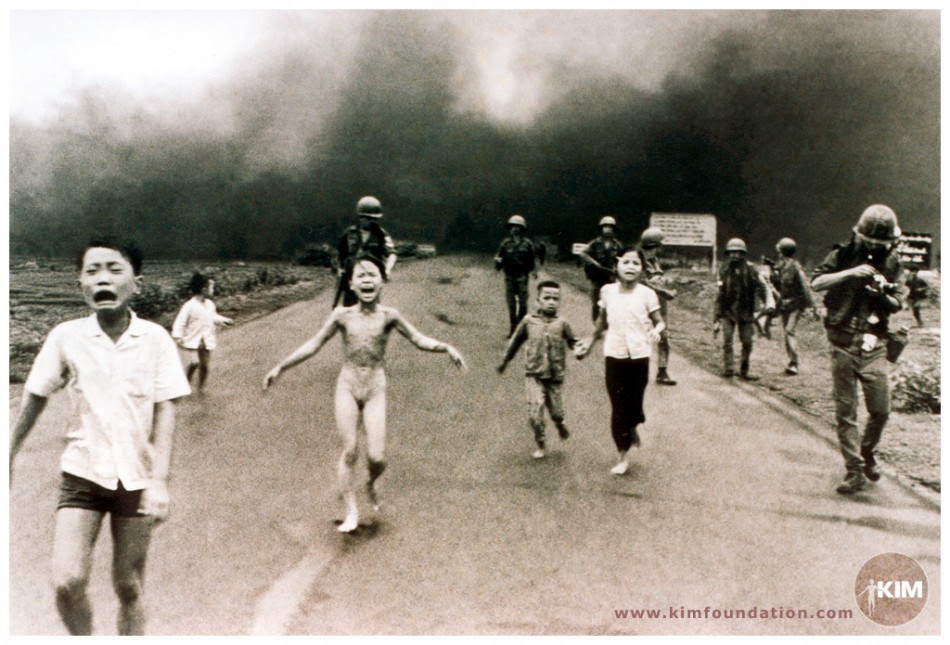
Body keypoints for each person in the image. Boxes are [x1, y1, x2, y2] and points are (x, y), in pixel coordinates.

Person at [9, 238, 191, 635]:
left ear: (136, 283)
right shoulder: (66, 336)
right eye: (92, 271)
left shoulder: (156, 340)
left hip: (137, 481)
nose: (102, 279)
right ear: (80, 284)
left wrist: (159, 480)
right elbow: (35, 396)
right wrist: (8, 453)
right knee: (67, 582)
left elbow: (167, 409)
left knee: (128, 586)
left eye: (114, 269)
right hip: (82, 475)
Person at [263, 254, 466, 533]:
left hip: (375, 387)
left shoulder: (389, 316)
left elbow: (419, 339)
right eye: (361, 275)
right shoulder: (342, 315)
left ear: (382, 281)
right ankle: (351, 511)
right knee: (350, 451)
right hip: (347, 384)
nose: (367, 279)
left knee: (377, 457)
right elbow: (313, 345)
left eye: (373, 274)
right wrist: (280, 367)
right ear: (351, 284)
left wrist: (446, 347)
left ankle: (370, 483)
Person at [811, 204, 904, 495]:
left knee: (881, 411)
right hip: (842, 342)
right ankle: (854, 470)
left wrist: (883, 294)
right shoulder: (841, 254)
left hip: (874, 343)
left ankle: (866, 452)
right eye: (870, 241)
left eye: (881, 243)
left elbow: (899, 300)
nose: (875, 247)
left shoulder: (893, 262)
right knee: (845, 411)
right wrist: (850, 273)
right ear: (859, 235)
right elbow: (816, 282)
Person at [575, 247, 665, 476]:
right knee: (618, 406)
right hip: (614, 354)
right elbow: (601, 324)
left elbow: (659, 321)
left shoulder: (647, 294)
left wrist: (657, 331)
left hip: (639, 355)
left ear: (642, 270)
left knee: (634, 405)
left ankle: (633, 424)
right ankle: (622, 455)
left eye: (636, 263)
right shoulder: (607, 291)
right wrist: (589, 343)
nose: (631, 267)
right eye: (626, 262)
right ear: (617, 266)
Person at [497, 280, 578, 459]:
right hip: (534, 374)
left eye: (555, 299)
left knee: (556, 411)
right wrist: (505, 361)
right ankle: (541, 443)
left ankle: (559, 423)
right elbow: (515, 343)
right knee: (535, 413)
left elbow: (573, 342)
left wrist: (579, 350)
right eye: (547, 298)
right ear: (538, 301)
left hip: (555, 376)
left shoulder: (562, 323)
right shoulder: (529, 321)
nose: (551, 302)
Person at [713, 238, 776, 380]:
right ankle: (728, 368)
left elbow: (764, 287)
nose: (734, 255)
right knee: (727, 341)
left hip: (746, 311)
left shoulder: (752, 270)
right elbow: (719, 294)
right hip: (727, 311)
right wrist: (716, 316)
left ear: (743, 254)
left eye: (737, 252)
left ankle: (744, 370)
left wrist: (769, 304)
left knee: (747, 341)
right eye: (731, 252)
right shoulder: (724, 270)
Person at [171, 272, 234, 394]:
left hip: (205, 340)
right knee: (195, 362)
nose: (212, 290)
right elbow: (180, 322)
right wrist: (178, 336)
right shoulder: (189, 306)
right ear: (203, 289)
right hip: (192, 340)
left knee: (204, 365)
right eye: (211, 287)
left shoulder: (210, 304)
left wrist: (225, 320)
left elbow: (212, 317)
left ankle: (201, 387)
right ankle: (185, 383)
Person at [335, 195, 397, 307]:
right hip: (352, 279)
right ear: (360, 217)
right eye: (367, 218)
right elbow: (340, 256)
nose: (371, 221)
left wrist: (387, 270)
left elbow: (392, 253)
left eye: (374, 219)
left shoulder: (381, 234)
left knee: (370, 310)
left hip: (371, 280)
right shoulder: (349, 234)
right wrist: (339, 271)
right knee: (349, 312)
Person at [772, 238, 820, 375]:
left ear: (782, 252)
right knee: (787, 333)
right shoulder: (781, 266)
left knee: (789, 331)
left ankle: (794, 363)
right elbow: (778, 286)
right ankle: (791, 361)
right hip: (785, 305)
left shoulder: (796, 267)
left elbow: (805, 287)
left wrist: (813, 307)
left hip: (796, 305)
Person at [639, 226, 678, 385]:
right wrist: (664, 291)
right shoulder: (639, 260)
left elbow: (657, 280)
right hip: (644, 304)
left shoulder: (655, 261)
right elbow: (642, 282)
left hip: (660, 305)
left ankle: (662, 372)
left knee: (664, 337)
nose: (658, 249)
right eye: (657, 246)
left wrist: (667, 285)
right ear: (652, 245)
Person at [494, 214, 539, 336]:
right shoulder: (505, 244)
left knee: (523, 304)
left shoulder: (527, 244)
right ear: (510, 228)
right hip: (509, 277)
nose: (515, 229)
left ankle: (521, 328)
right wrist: (497, 262)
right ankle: (513, 329)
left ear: (522, 229)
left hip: (522, 278)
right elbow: (499, 260)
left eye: (518, 226)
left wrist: (534, 271)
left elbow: (532, 260)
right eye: (513, 226)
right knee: (512, 305)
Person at [578, 215, 623, 322]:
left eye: (610, 227)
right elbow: (583, 254)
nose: (608, 229)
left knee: (610, 303)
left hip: (611, 278)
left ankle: (608, 325)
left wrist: (617, 269)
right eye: (605, 226)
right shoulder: (595, 243)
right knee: (596, 303)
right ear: (601, 228)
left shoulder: (617, 245)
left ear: (613, 229)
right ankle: (596, 325)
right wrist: (595, 263)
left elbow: (622, 259)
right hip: (597, 278)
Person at [904, 263, 929, 327]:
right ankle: (919, 321)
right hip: (912, 296)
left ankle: (920, 322)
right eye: (911, 271)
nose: (912, 273)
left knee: (916, 308)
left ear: (916, 272)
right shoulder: (908, 280)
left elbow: (926, 287)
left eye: (914, 272)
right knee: (915, 311)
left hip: (919, 297)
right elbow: (905, 287)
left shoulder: (919, 280)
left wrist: (921, 289)